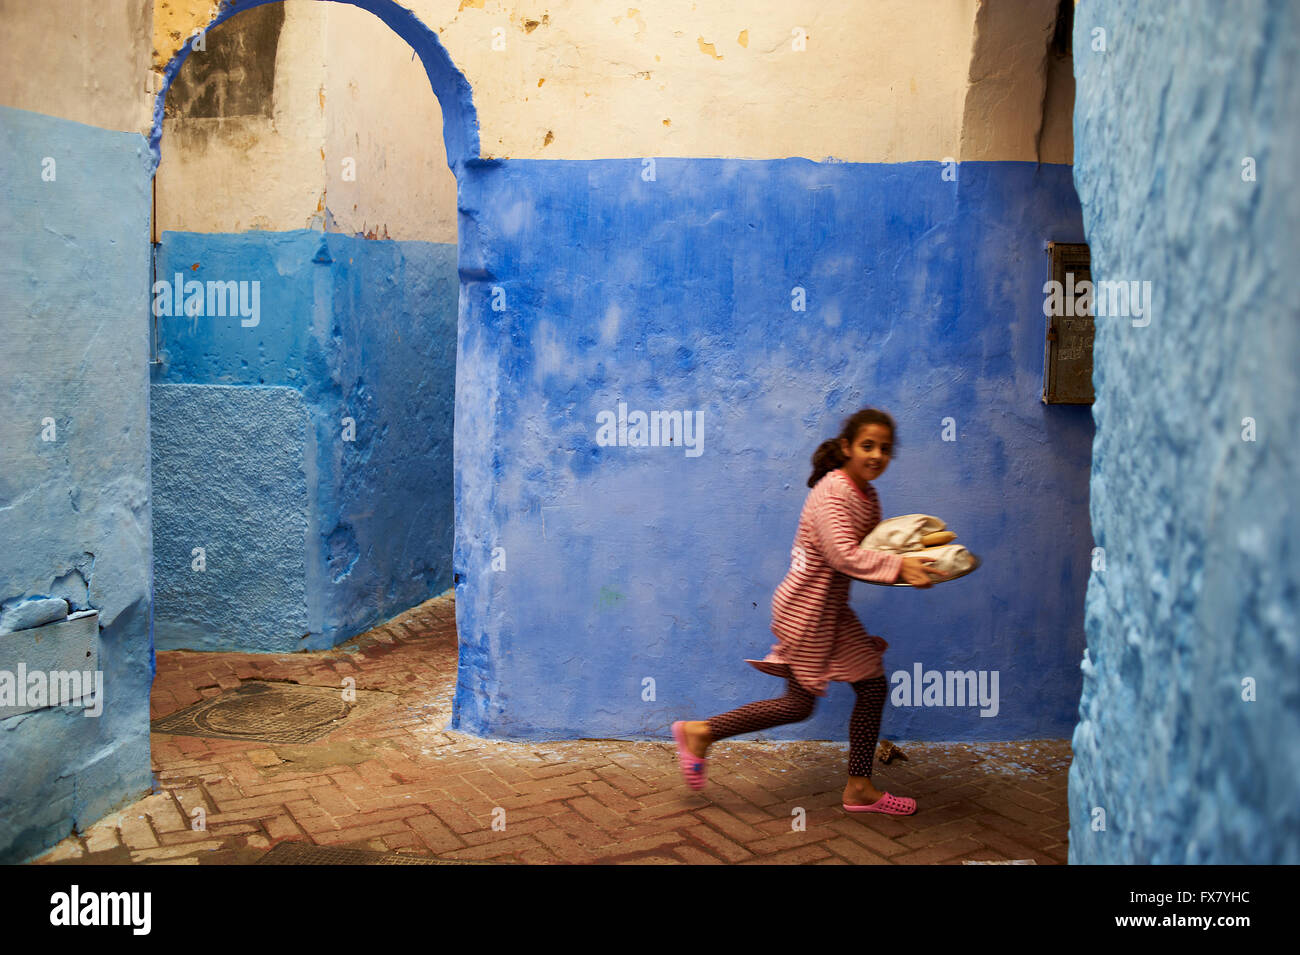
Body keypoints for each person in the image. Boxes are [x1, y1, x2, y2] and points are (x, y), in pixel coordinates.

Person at [670, 407, 946, 814]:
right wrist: (899, 566)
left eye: (885, 449)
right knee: (799, 705)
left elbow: (866, 550)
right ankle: (700, 732)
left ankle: (858, 788)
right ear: (848, 447)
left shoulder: (867, 495)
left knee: (871, 686)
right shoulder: (833, 493)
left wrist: (916, 554)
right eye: (867, 445)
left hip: (830, 611)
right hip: (806, 612)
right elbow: (843, 555)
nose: (876, 455)